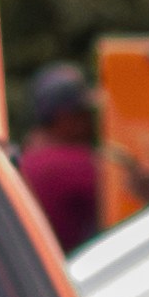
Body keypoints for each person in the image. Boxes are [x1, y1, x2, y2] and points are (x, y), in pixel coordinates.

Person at [15, 58, 105, 249]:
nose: (91, 121)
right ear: (64, 118)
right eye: (83, 113)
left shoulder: (25, 157)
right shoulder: (75, 163)